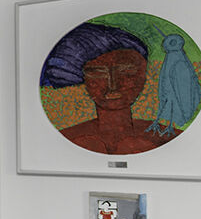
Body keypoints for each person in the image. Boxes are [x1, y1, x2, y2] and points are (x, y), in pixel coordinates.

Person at [39, 22, 167, 155]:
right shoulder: (65, 138)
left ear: (143, 72)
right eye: (97, 73)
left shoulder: (166, 137)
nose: (113, 85)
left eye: (126, 71)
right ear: (81, 77)